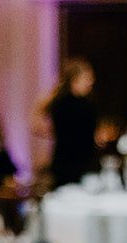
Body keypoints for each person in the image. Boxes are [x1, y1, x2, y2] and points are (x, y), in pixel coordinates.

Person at [44, 59, 100, 189]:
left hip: (61, 164)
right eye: (87, 78)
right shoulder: (85, 105)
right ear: (74, 80)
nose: (91, 82)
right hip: (78, 165)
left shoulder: (58, 102)